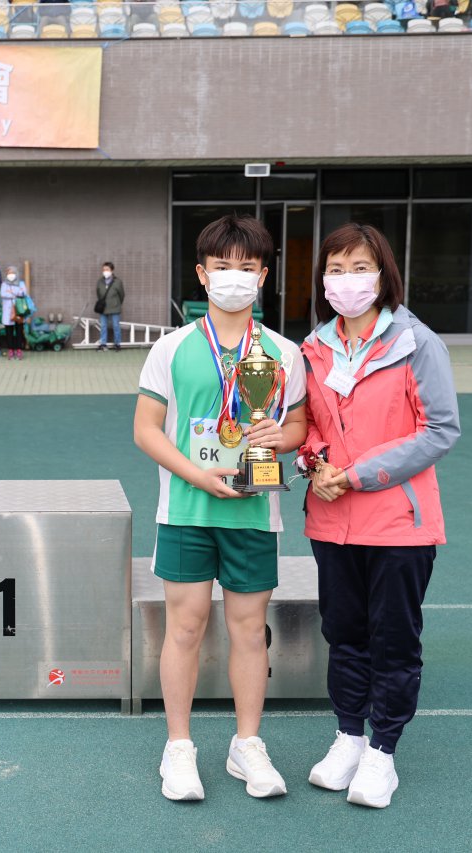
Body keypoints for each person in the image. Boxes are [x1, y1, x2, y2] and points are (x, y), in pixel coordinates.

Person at [134, 215, 307, 803]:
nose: (235, 276)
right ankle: (178, 747)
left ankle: (247, 744)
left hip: (254, 512)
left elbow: (298, 426)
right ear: (202, 274)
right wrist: (196, 475)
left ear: (263, 276)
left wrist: (280, 436)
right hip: (186, 510)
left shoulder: (284, 352)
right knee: (184, 627)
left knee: (249, 632)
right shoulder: (171, 347)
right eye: (222, 266)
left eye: (247, 267)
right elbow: (146, 429)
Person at [299, 222, 460, 810]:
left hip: (399, 523)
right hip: (331, 520)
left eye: (360, 268)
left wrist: (357, 474)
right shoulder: (312, 348)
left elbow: (440, 429)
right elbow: (308, 424)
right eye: (336, 270)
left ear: (383, 274)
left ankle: (382, 750)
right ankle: (348, 736)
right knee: (343, 634)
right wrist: (315, 461)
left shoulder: (418, 343)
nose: (348, 281)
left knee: (393, 639)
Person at [0, 266, 32, 361]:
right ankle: (10, 350)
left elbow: (23, 293)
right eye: (9, 273)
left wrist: (11, 292)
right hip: (8, 312)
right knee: (9, 332)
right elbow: (3, 294)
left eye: (12, 273)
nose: (11, 275)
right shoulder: (4, 284)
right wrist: (16, 293)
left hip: (19, 310)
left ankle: (19, 350)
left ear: (16, 273)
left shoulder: (21, 283)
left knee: (19, 331)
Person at [96, 261, 124, 351]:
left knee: (116, 326)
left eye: (107, 269)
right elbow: (98, 293)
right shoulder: (100, 281)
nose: (105, 271)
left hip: (115, 308)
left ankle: (117, 344)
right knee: (103, 326)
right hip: (103, 308)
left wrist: (117, 303)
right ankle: (103, 344)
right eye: (104, 269)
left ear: (112, 270)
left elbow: (122, 295)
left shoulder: (117, 282)